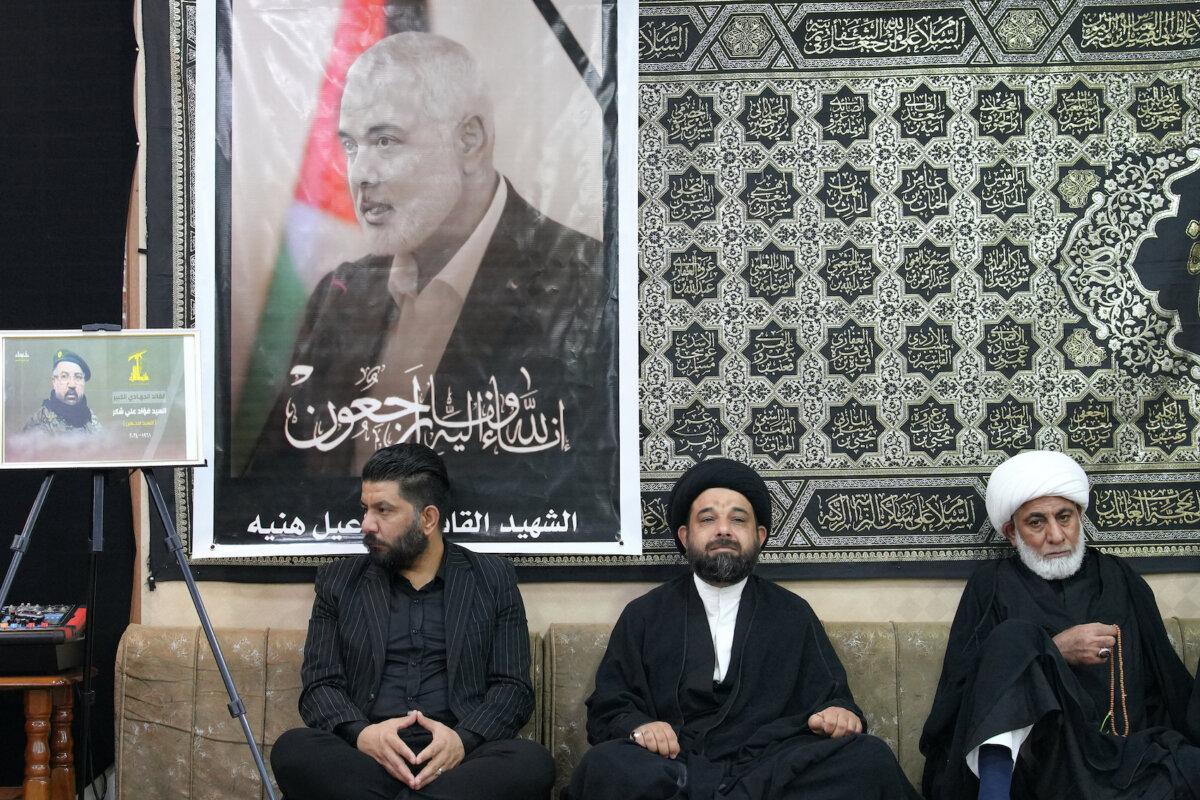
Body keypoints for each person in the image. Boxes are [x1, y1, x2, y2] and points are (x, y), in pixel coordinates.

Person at [243, 32, 618, 536]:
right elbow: (270, 494)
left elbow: (591, 502)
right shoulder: (340, 296)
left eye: (386, 140)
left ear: (469, 141)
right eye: (351, 145)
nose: (360, 174)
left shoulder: (586, 285)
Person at [567, 458, 920, 800]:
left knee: (868, 758)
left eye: (738, 520)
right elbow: (609, 708)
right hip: (676, 768)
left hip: (770, 767)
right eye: (708, 519)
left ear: (759, 536)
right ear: (685, 535)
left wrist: (839, 715)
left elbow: (832, 698)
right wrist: (641, 726)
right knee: (605, 766)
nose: (723, 529)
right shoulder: (644, 614)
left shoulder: (792, 613)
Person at [270, 443, 554, 800]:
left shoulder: (492, 578)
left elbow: (512, 688)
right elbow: (320, 685)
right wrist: (363, 734)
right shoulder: (339, 581)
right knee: (295, 749)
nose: (366, 524)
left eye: (383, 510)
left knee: (532, 762)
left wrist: (461, 742)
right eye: (366, 509)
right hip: (368, 759)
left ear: (428, 519)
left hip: (458, 763)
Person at [920, 449, 1200, 799]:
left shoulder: (1118, 576)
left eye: (1064, 517)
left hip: (1119, 758)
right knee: (1013, 638)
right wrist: (1053, 651)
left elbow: (1166, 677)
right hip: (1038, 763)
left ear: (1080, 516)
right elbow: (963, 689)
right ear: (1012, 532)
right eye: (1036, 522)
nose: (1056, 535)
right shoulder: (992, 584)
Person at [23, 349, 102, 434]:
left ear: (84, 382)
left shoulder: (90, 417)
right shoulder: (40, 424)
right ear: (54, 381)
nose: (72, 384)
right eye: (64, 376)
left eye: (78, 377)